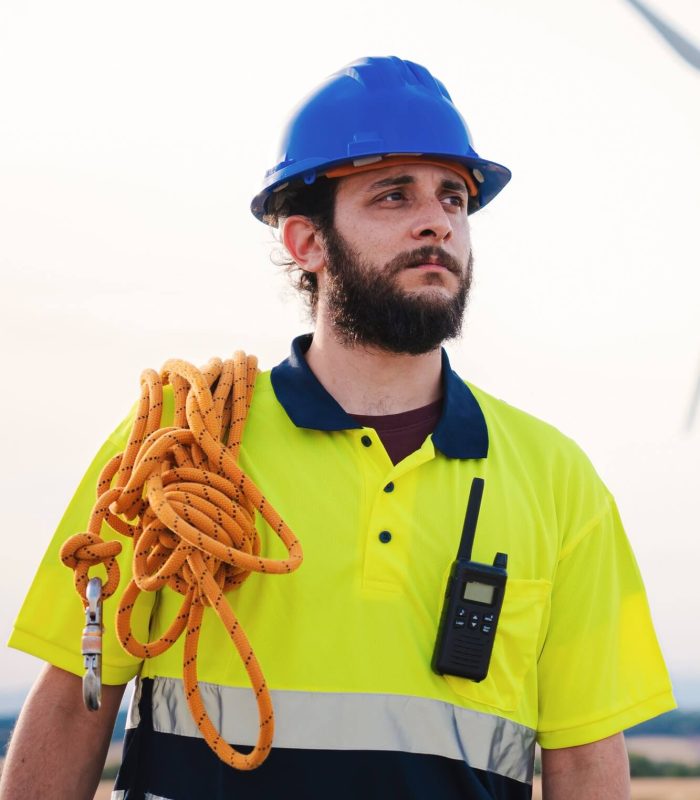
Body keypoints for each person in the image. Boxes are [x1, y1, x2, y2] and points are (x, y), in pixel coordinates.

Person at [1, 56, 675, 800]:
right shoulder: (181, 444)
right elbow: (72, 698)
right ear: (306, 242)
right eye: (394, 195)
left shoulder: (557, 479)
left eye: (454, 197)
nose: (437, 220)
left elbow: (585, 756)